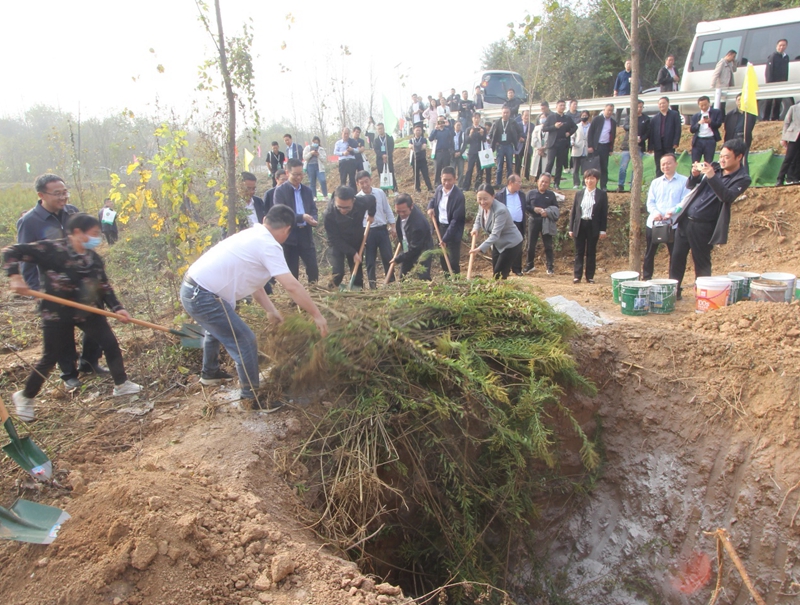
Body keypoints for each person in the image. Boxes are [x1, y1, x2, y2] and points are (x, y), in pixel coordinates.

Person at [182, 205, 327, 407]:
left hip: (193, 290)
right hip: (204, 296)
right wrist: (317, 315)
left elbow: (255, 283)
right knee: (245, 341)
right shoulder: (268, 244)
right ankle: (251, 398)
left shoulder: (252, 235)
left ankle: (210, 373)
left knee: (215, 328)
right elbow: (291, 285)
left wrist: (271, 310)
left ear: (266, 219)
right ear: (287, 229)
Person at [5, 213, 142, 421]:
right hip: (56, 313)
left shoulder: (93, 258)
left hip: (88, 311)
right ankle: (25, 396)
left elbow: (103, 286)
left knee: (110, 343)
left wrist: (117, 307)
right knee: (50, 357)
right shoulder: (51, 249)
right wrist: (15, 276)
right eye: (94, 234)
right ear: (77, 233)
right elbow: (11, 251)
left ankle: (121, 384)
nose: (97, 238)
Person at [17, 174, 104, 386]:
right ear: (41, 195)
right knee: (63, 331)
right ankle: (69, 375)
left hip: (81, 283)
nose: (63, 197)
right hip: (53, 288)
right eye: (57, 194)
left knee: (97, 320)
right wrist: (36, 289)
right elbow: (24, 258)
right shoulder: (29, 222)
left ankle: (90, 363)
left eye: (65, 192)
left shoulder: (72, 213)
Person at [669, 139, 751, 298]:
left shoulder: (742, 178)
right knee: (677, 258)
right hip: (686, 220)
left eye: (727, 157)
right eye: (721, 156)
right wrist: (695, 175)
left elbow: (727, 196)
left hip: (704, 225)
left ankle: (703, 295)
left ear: (739, 157)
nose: (722, 160)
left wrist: (712, 176)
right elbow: (691, 186)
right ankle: (673, 292)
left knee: (701, 262)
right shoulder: (715, 167)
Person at [273, 158, 319, 284]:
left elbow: (313, 209)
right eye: (295, 174)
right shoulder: (280, 191)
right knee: (292, 271)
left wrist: (314, 219)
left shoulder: (307, 191)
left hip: (306, 234)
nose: (299, 177)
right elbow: (281, 214)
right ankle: (294, 299)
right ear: (287, 173)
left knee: (313, 267)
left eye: (301, 174)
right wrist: (301, 217)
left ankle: (314, 291)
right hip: (289, 236)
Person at [642, 154, 688, 280]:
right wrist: (655, 213)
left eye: (668, 163)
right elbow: (650, 202)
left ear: (675, 164)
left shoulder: (684, 181)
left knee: (675, 255)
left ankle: (674, 283)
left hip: (674, 224)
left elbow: (685, 202)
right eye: (663, 164)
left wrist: (672, 212)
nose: (665, 166)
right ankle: (646, 279)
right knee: (649, 253)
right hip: (654, 223)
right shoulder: (656, 182)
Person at [324, 186, 376, 288]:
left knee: (357, 271)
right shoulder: (329, 214)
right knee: (338, 272)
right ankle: (331, 292)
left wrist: (371, 214)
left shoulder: (361, 202)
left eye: (347, 207)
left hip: (355, 239)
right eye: (340, 207)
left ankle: (358, 293)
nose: (343, 210)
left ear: (353, 201)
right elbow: (334, 239)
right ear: (335, 200)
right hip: (337, 243)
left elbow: (372, 200)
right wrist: (352, 252)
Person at [470, 184, 523, 280]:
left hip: (510, 244)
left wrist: (479, 248)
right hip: (497, 244)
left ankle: (502, 292)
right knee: (496, 272)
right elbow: (479, 217)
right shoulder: (482, 206)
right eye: (479, 199)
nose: (482, 202)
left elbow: (495, 234)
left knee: (499, 274)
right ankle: (500, 288)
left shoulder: (500, 210)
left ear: (493, 196)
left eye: (485, 199)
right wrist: (475, 228)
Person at [356, 170, 396, 289]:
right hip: (368, 232)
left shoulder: (379, 193)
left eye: (366, 181)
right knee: (370, 260)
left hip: (382, 230)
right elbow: (357, 220)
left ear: (371, 180)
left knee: (387, 257)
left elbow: (387, 209)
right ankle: (372, 285)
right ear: (358, 184)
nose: (365, 185)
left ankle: (391, 282)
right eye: (361, 183)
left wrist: (393, 226)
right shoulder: (357, 199)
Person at [569, 168, 608, 283]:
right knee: (578, 251)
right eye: (587, 178)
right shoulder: (579, 193)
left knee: (591, 252)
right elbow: (574, 212)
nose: (589, 181)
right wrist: (571, 228)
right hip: (580, 225)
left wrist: (602, 230)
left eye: (592, 178)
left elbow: (603, 213)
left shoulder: (602, 195)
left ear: (596, 180)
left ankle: (590, 276)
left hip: (593, 225)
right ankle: (577, 275)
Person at [427, 167, 465, 275]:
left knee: (452, 260)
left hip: (453, 230)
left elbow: (456, 220)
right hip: (441, 227)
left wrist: (445, 239)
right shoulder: (439, 189)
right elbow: (433, 200)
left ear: (454, 179)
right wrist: (430, 207)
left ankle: (456, 281)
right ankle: (447, 280)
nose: (447, 183)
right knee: (443, 258)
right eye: (444, 180)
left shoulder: (459, 196)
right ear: (441, 178)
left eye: (449, 180)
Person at [524, 173, 559, 274]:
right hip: (533, 220)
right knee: (531, 244)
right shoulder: (531, 193)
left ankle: (550, 267)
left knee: (548, 245)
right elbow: (525, 206)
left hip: (546, 222)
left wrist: (547, 212)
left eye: (546, 182)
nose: (543, 184)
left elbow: (556, 208)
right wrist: (534, 209)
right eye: (542, 181)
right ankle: (529, 265)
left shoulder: (551, 195)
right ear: (538, 181)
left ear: (549, 184)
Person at [392, 195, 433, 281]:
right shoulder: (403, 212)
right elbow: (404, 238)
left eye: (404, 211)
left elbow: (415, 249)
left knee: (422, 277)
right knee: (403, 277)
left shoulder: (418, 224)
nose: (401, 214)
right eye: (398, 211)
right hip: (408, 249)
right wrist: (404, 251)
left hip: (422, 251)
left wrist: (398, 259)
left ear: (411, 206)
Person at [494, 174, 526, 275]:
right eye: (518, 182)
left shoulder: (521, 195)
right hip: (505, 225)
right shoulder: (500, 195)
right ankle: (505, 269)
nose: (520, 185)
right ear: (510, 183)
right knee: (505, 247)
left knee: (517, 247)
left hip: (519, 224)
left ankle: (517, 269)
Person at [543, 100, 577, 190]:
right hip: (553, 143)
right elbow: (544, 128)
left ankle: (556, 183)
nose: (562, 107)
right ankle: (545, 182)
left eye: (563, 105)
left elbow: (575, 127)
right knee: (550, 163)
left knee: (559, 164)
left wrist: (569, 133)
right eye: (560, 105)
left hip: (563, 143)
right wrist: (554, 126)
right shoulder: (551, 117)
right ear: (556, 106)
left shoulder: (567, 118)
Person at [618, 100, 650, 192]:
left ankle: (633, 186)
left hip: (639, 146)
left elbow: (648, 132)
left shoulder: (646, 118)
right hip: (627, 146)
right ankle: (620, 185)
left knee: (635, 167)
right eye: (638, 106)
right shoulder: (629, 117)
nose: (639, 108)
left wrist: (641, 138)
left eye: (641, 107)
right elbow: (625, 126)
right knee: (623, 167)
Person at [649, 97, 682, 177]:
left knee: (669, 163)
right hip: (658, 145)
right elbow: (651, 133)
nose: (662, 105)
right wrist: (650, 146)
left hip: (669, 143)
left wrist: (675, 142)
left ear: (668, 103)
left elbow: (678, 129)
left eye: (663, 103)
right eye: (660, 104)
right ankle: (659, 180)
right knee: (659, 164)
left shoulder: (674, 114)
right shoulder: (655, 118)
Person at [587, 104, 616, 190]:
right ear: (604, 110)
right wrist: (590, 145)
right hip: (596, 146)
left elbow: (613, 136)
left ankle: (603, 186)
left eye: (611, 110)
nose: (609, 112)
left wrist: (611, 148)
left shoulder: (613, 122)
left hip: (605, 146)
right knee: (594, 167)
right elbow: (591, 132)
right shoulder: (597, 119)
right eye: (608, 110)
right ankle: (592, 185)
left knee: (604, 167)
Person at [490, 107, 521, 185]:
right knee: (499, 166)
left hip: (509, 145)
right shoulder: (496, 122)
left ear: (509, 113)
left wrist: (517, 140)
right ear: (502, 113)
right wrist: (495, 142)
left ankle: (509, 183)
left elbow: (519, 132)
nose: (506, 114)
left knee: (510, 166)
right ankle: (498, 183)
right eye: (504, 112)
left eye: (507, 112)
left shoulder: (513, 122)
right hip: (500, 146)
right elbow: (491, 134)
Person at [724, 93, 757, 165]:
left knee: (743, 159)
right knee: (732, 158)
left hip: (744, 138)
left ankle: (744, 175)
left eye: (742, 100)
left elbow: (751, 125)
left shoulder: (749, 114)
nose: (740, 102)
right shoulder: (730, 114)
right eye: (738, 100)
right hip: (733, 138)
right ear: (736, 101)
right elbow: (727, 128)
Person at [690, 95, 723, 164]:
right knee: (695, 162)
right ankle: (695, 174)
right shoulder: (695, 116)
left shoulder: (716, 112)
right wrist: (698, 124)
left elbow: (718, 124)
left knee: (708, 162)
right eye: (701, 105)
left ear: (709, 103)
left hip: (710, 139)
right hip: (698, 140)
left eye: (705, 104)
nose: (704, 107)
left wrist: (710, 122)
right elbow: (692, 130)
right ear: (698, 105)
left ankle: (707, 174)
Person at [764, 40, 792, 122]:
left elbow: (786, 70)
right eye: (780, 45)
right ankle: (765, 118)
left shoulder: (786, 57)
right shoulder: (773, 56)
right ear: (777, 46)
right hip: (772, 82)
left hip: (782, 82)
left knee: (778, 101)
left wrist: (785, 81)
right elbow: (768, 71)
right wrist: (769, 83)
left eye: (783, 45)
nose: (782, 47)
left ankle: (775, 118)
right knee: (769, 100)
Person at [462, 113, 490, 191]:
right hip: (472, 151)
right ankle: (466, 186)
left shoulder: (483, 129)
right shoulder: (468, 129)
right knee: (469, 169)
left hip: (480, 151)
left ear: (479, 119)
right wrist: (470, 134)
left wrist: (481, 134)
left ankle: (478, 186)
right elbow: (467, 141)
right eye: (475, 118)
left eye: (477, 118)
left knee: (479, 169)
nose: (476, 119)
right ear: (472, 119)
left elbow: (484, 140)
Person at [777, 99, 800, 186]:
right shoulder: (793, 108)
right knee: (788, 158)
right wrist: (784, 138)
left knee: (798, 158)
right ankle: (780, 178)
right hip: (793, 135)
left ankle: (795, 178)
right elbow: (786, 122)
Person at [429, 117, 455, 186]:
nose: (441, 123)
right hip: (438, 152)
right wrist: (435, 129)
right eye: (439, 121)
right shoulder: (436, 131)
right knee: (438, 168)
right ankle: (437, 184)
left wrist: (448, 125)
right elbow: (430, 138)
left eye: (442, 121)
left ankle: (447, 183)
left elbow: (453, 134)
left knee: (446, 168)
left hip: (446, 152)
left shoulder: (447, 130)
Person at [373, 122, 397, 194]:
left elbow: (391, 147)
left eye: (381, 128)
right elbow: (376, 149)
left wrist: (387, 155)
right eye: (378, 129)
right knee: (382, 174)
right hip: (380, 160)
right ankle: (385, 191)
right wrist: (382, 155)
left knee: (391, 173)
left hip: (388, 158)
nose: (380, 130)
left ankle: (395, 190)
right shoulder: (376, 140)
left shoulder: (389, 137)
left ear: (384, 128)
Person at [410, 126, 434, 192]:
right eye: (417, 130)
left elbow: (423, 147)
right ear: (414, 131)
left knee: (425, 174)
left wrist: (415, 146)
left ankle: (430, 188)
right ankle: (417, 189)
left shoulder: (423, 139)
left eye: (419, 130)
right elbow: (410, 146)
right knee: (416, 175)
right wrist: (418, 146)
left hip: (422, 159)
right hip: (415, 159)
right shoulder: (411, 140)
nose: (418, 131)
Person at [571, 110, 591, 189]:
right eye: (583, 115)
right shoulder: (577, 126)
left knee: (585, 169)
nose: (584, 117)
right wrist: (572, 143)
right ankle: (576, 183)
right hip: (577, 148)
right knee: (576, 168)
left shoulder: (591, 126)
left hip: (586, 149)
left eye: (586, 115)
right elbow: (572, 136)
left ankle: (584, 183)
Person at [515, 110, 534, 180]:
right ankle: (517, 178)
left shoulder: (532, 126)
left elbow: (533, 136)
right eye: (525, 115)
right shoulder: (517, 125)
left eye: (528, 116)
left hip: (528, 147)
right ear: (522, 116)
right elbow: (514, 134)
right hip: (519, 147)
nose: (526, 117)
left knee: (527, 164)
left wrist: (525, 140)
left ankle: (526, 178)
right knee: (517, 164)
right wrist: (519, 138)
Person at [452, 120, 466, 185]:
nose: (458, 126)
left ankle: (460, 185)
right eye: (457, 125)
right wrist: (453, 153)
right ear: (454, 126)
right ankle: (452, 184)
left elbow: (465, 144)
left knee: (461, 170)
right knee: (452, 170)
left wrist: (460, 152)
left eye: (460, 125)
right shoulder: (451, 134)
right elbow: (449, 144)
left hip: (460, 154)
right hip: (453, 155)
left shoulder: (463, 134)